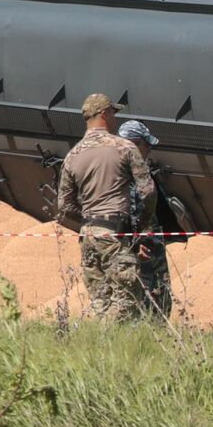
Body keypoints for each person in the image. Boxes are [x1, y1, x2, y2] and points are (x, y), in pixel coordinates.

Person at [56, 94, 156, 321]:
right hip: (116, 232)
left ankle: (102, 346)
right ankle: (123, 347)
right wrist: (141, 226)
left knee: (100, 301)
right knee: (128, 299)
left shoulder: (73, 155)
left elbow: (64, 206)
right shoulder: (124, 147)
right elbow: (148, 191)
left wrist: (89, 223)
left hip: (88, 235)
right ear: (104, 114)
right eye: (113, 113)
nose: (115, 119)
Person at [117, 119, 172, 318]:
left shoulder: (116, 170)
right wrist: (135, 241)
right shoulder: (127, 174)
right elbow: (130, 211)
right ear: (134, 144)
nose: (149, 149)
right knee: (154, 295)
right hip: (144, 246)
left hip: (143, 243)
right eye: (145, 144)